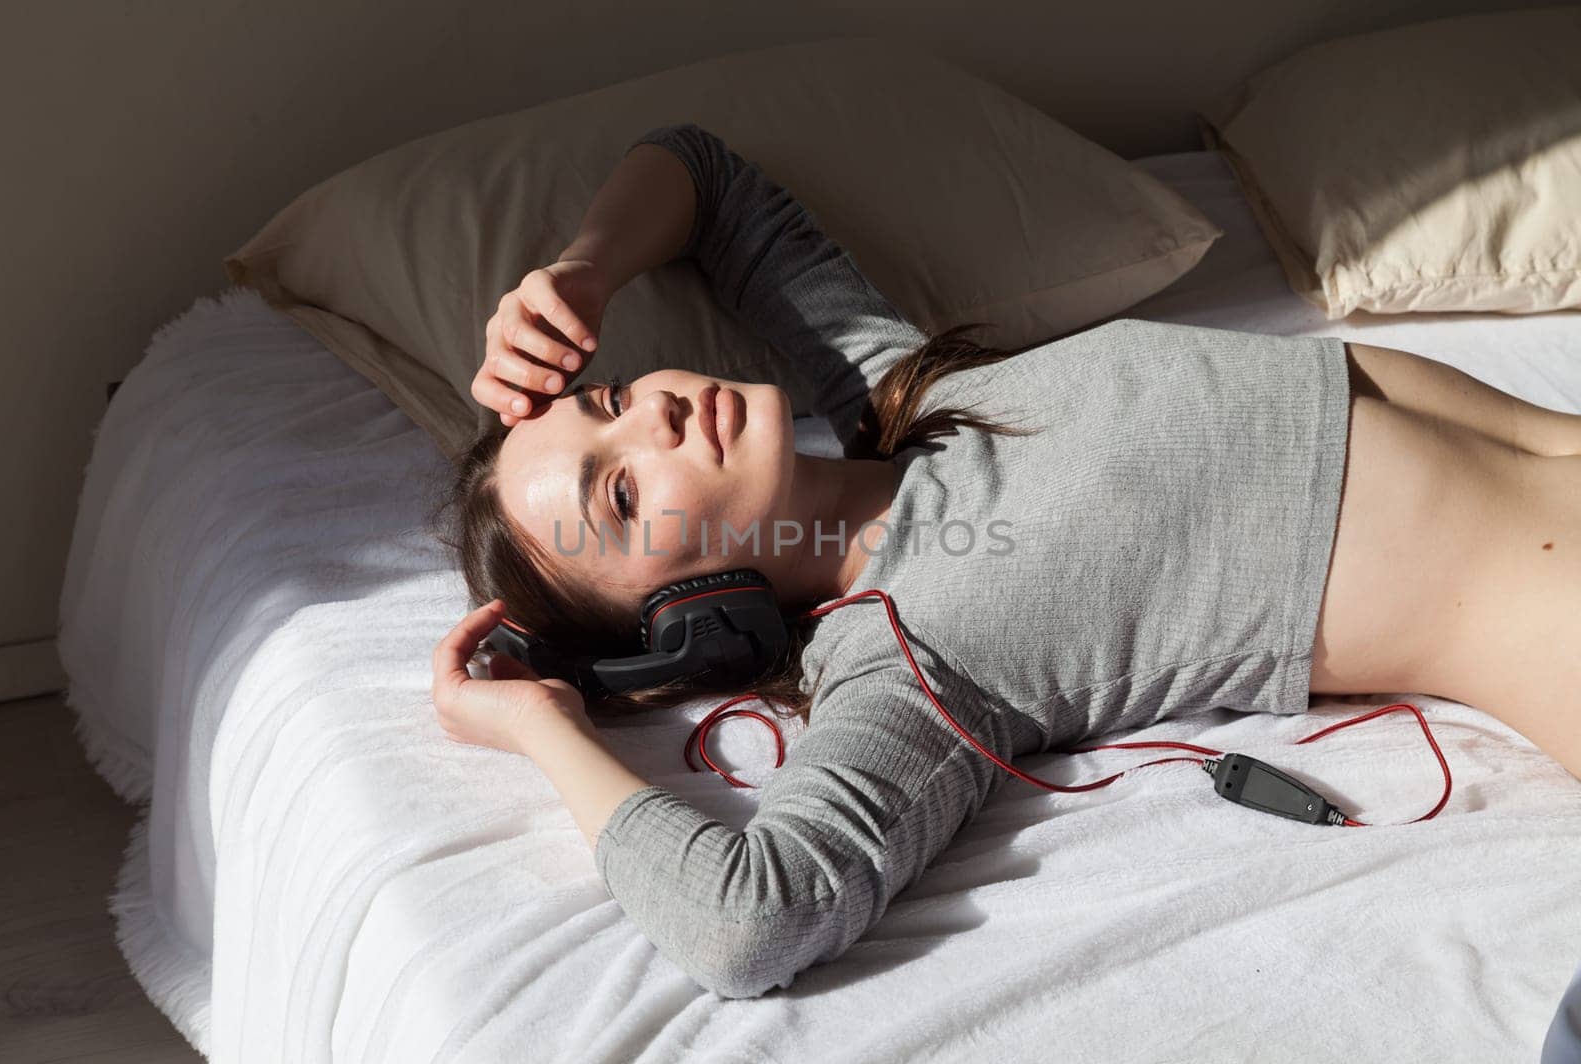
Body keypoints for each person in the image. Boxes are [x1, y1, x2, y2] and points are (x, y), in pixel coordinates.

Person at [429, 122, 1581, 998]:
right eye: (621, 491)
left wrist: (578, 276)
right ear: (675, 622)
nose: (659, 416)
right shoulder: (906, 656)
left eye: (614, 397)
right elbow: (752, 921)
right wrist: (544, 725)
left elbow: (703, 175)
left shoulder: (915, 394)